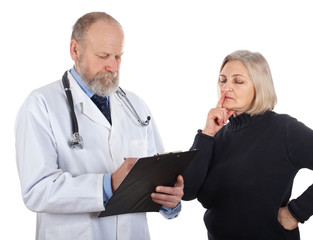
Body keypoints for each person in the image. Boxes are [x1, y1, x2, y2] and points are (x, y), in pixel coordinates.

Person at [15, 12, 183, 240]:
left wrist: (169, 201)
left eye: (118, 56)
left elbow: (157, 172)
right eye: (103, 56)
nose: (113, 67)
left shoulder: (135, 106)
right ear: (75, 50)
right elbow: (36, 190)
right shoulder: (41, 104)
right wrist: (107, 184)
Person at [182, 50, 313, 240]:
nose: (226, 88)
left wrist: (297, 212)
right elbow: (186, 191)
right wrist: (207, 134)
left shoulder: (284, 129)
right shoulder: (216, 136)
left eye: (238, 81)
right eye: (222, 80)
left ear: (259, 86)